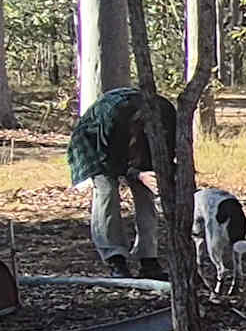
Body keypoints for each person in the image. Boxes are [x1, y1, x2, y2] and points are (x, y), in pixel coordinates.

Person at [68, 86, 177, 278]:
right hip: (96, 145)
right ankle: (114, 257)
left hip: (131, 146)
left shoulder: (168, 115)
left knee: (146, 194)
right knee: (106, 191)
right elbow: (110, 160)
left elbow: (169, 154)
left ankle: (148, 259)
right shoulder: (115, 118)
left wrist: (162, 176)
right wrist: (138, 175)